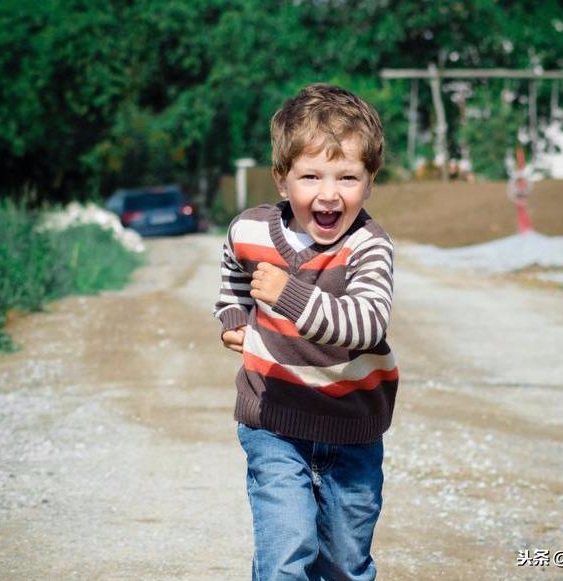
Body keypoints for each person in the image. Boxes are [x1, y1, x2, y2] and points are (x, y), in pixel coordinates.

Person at [213, 84, 398, 581]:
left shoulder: (369, 248)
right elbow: (234, 271)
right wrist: (234, 315)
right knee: (286, 554)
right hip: (273, 421)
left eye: (348, 177)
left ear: (370, 181)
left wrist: (287, 295)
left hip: (351, 427)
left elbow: (366, 324)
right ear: (281, 178)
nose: (329, 193)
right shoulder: (250, 230)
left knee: (344, 563)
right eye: (311, 176)